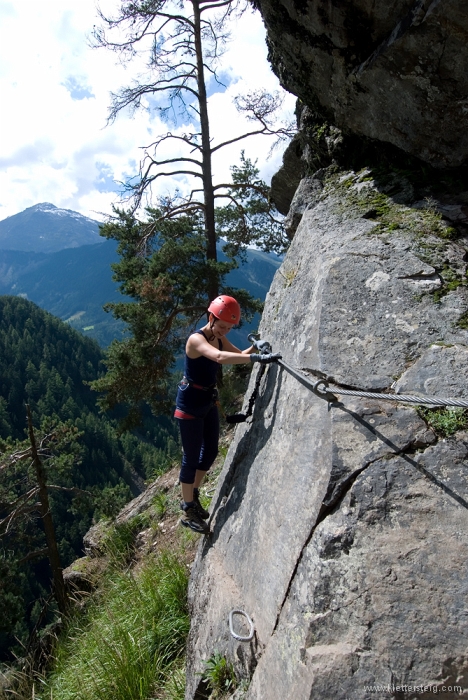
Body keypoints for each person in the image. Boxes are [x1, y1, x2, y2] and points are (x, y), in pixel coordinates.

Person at [175, 295, 281, 533]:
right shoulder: (197, 340)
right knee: (190, 458)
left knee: (211, 451)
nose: (224, 331)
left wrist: (256, 347)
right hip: (190, 406)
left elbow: (240, 355)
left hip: (207, 402)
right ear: (211, 318)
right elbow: (220, 358)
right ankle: (188, 507)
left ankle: (194, 492)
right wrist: (257, 357)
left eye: (229, 328)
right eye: (222, 326)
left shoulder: (218, 338)